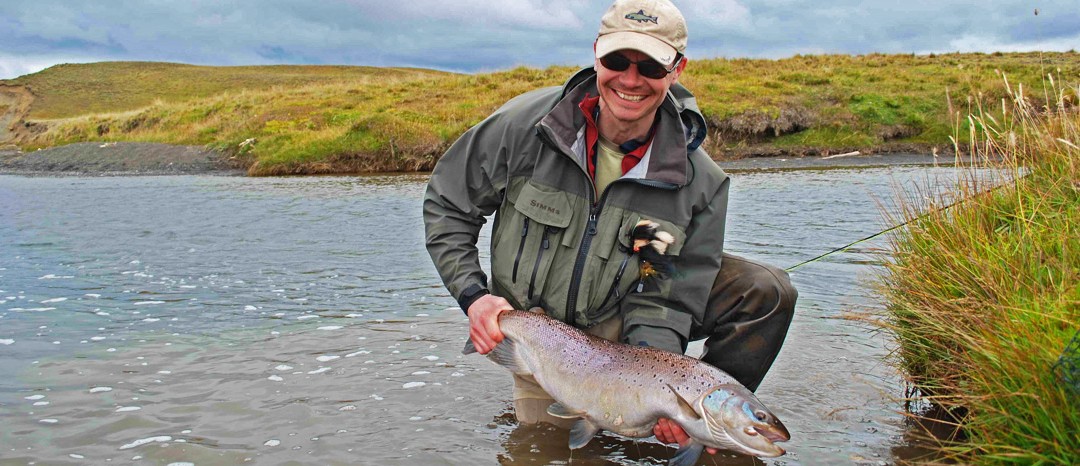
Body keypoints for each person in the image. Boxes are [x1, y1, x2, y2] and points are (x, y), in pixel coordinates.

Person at [423, 0, 796, 454]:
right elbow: (448, 204)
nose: (631, 80)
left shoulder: (700, 182)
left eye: (651, 66)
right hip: (542, 338)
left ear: (677, 69)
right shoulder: (523, 128)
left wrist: (663, 388)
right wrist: (474, 296)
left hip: (624, 324)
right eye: (618, 61)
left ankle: (706, 430)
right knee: (543, 449)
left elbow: (667, 293)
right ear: (597, 53)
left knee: (765, 288)